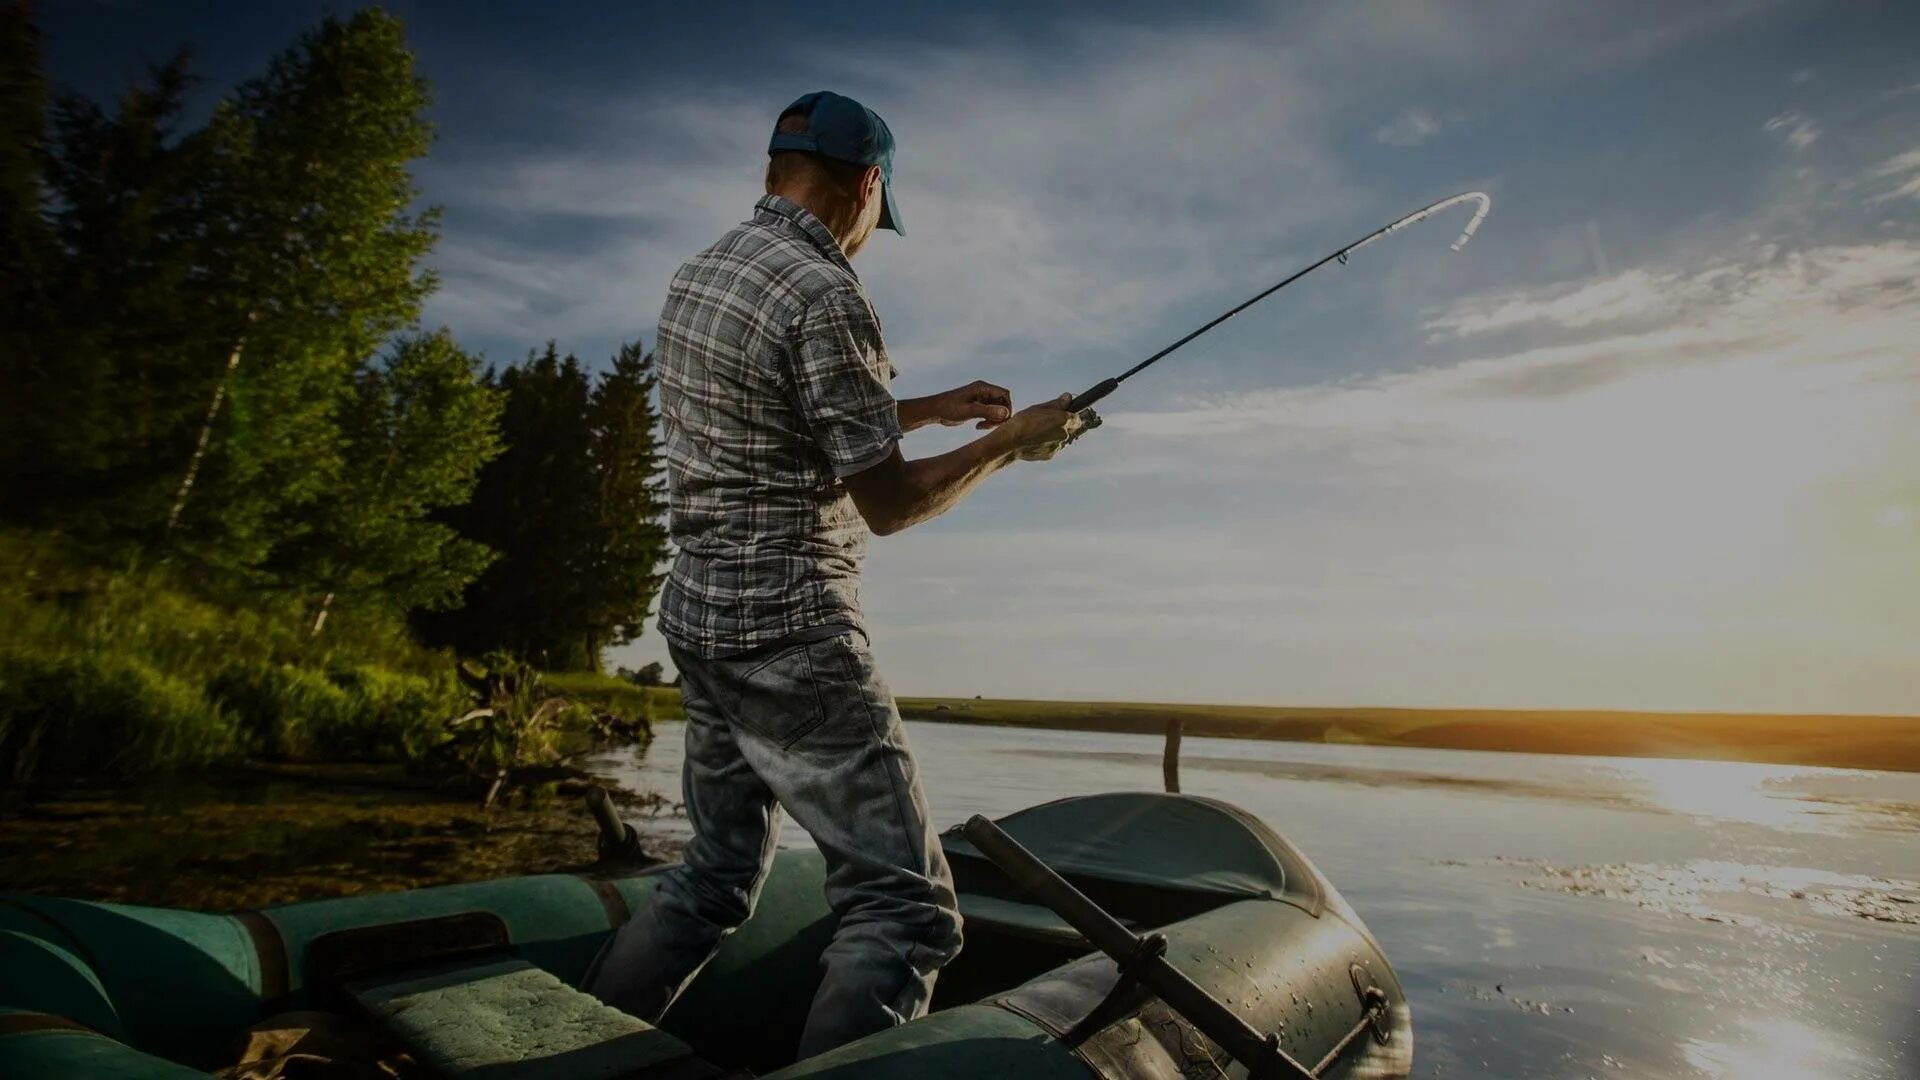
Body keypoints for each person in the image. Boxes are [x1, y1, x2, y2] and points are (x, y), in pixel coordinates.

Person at [581, 90, 1082, 1057]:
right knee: (907, 912)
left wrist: (929, 406)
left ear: (775, 173)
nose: (869, 237)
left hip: (699, 618)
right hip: (795, 632)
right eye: (875, 215)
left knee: (714, 878)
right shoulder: (826, 292)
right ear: (867, 185)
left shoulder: (703, 274)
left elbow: (776, 413)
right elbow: (887, 507)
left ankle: (560, 1062)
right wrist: (1013, 444)